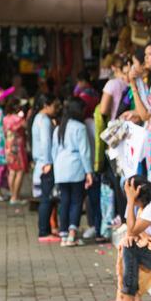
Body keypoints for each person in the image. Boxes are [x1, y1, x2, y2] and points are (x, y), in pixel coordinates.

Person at [52, 97, 93, 246]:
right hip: (75, 167)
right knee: (76, 200)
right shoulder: (79, 127)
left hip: (60, 168)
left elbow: (53, 151)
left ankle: (63, 235)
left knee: (65, 201)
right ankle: (72, 234)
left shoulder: (59, 128)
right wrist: (89, 172)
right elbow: (84, 152)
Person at [31, 93, 61, 242]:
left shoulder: (39, 118)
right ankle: (44, 232)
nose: (56, 109)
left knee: (46, 198)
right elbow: (46, 142)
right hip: (45, 163)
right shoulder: (44, 121)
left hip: (42, 162)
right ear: (45, 106)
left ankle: (46, 230)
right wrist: (48, 162)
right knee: (47, 199)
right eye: (54, 106)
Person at [3, 98, 29, 205]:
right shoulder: (19, 119)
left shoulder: (5, 118)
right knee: (20, 171)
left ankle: (12, 195)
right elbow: (26, 126)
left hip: (8, 146)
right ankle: (15, 196)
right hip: (18, 147)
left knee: (12, 171)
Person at [99, 54, 129, 121]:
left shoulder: (111, 84)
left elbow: (103, 110)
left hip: (117, 123)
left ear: (113, 67)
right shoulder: (132, 82)